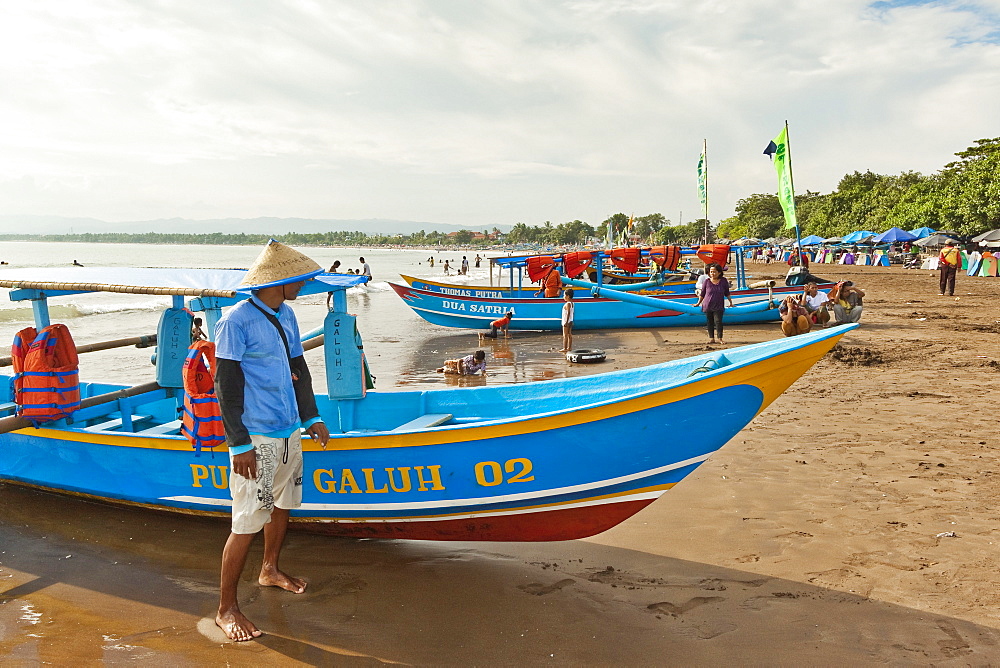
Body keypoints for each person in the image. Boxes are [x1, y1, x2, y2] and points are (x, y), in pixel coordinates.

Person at [213, 240, 331, 642]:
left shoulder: (287, 314)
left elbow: (298, 367)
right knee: (246, 520)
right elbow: (225, 384)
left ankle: (270, 569)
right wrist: (238, 443)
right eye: (299, 278)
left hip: (288, 431)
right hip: (256, 436)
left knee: (282, 504)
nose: (305, 283)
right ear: (278, 281)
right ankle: (225, 609)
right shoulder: (236, 322)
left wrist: (311, 415)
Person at [695, 262, 734, 345]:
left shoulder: (723, 281)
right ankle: (711, 338)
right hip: (707, 305)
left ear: (719, 272)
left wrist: (731, 302)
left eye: (714, 271)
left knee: (718, 322)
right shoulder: (707, 281)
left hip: (718, 306)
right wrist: (698, 303)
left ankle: (720, 338)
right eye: (711, 271)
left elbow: (727, 292)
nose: (712, 273)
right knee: (710, 322)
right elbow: (702, 294)